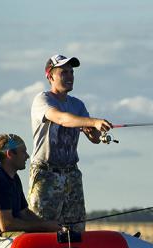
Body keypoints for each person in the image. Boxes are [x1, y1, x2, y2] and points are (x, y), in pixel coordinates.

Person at [27, 54, 113, 231]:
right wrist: (92, 122)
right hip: (46, 173)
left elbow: (95, 139)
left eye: (72, 72)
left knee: (75, 228)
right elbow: (62, 119)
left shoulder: (78, 105)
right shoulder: (42, 100)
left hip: (71, 174)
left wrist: (95, 130)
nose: (70, 76)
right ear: (50, 76)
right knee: (42, 227)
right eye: (63, 72)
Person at [0, 134, 60, 245]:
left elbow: (23, 212)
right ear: (10, 154)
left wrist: (48, 225)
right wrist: (43, 226)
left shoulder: (13, 178)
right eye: (23, 152)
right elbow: (6, 225)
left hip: (0, 233)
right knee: (30, 238)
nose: (27, 156)